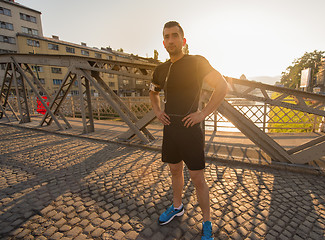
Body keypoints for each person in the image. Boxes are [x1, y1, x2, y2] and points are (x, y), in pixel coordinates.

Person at [149, 21, 228, 240]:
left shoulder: (196, 62)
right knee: (174, 171)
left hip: (191, 128)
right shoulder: (161, 69)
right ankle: (177, 207)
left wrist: (203, 114)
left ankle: (206, 222)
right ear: (163, 42)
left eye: (175, 36)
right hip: (170, 129)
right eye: (166, 36)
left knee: (197, 177)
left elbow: (222, 86)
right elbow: (153, 93)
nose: (170, 40)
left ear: (183, 40)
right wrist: (157, 111)